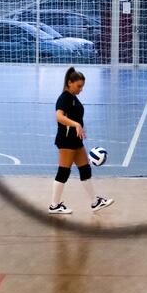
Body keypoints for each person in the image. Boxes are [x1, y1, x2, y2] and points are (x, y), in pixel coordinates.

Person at [51, 66, 113, 215]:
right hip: (66, 141)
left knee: (85, 169)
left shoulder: (72, 97)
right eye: (79, 86)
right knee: (63, 172)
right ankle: (54, 205)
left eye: (82, 86)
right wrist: (76, 124)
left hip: (75, 140)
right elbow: (59, 117)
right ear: (70, 82)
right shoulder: (65, 97)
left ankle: (95, 202)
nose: (81, 89)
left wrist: (79, 127)